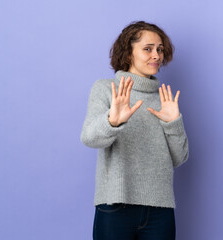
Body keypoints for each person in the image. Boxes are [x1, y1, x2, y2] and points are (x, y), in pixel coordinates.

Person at [80, 20, 189, 240]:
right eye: (148, 49)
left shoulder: (165, 99)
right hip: (115, 205)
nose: (156, 55)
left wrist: (173, 123)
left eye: (159, 49)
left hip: (160, 208)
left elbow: (180, 158)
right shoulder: (106, 89)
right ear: (128, 53)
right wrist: (113, 122)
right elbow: (89, 138)